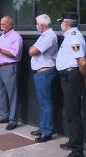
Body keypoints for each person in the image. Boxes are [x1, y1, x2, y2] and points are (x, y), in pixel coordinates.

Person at [56, 12, 86, 157]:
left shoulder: (73, 38)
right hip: (67, 77)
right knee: (70, 111)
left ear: (66, 23)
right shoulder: (70, 37)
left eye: (61, 22)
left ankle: (78, 150)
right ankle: (73, 141)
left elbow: (82, 61)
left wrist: (85, 77)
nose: (60, 25)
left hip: (72, 78)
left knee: (73, 113)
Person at [28, 14, 58, 143]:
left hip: (45, 73)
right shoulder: (43, 36)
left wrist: (32, 49)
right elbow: (33, 50)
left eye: (36, 24)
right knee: (42, 103)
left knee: (46, 103)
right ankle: (43, 127)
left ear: (41, 25)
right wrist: (32, 49)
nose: (36, 26)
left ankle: (47, 132)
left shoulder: (49, 36)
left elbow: (32, 51)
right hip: (40, 73)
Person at [0, 16, 23, 130]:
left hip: (9, 67)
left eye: (4, 24)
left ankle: (13, 120)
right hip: (0, 67)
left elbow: (14, 54)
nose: (2, 26)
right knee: (2, 93)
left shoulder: (16, 37)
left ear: (10, 25)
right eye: (1, 24)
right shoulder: (2, 36)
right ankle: (4, 115)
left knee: (12, 94)